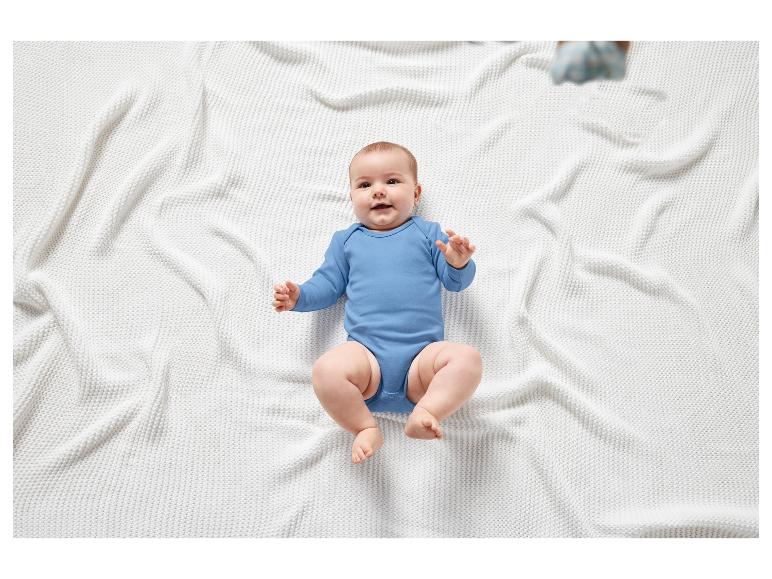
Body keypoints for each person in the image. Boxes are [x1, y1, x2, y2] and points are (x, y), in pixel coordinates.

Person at [273, 142, 483, 463]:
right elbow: (327, 286)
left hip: (421, 365)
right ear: (352, 196)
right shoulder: (346, 242)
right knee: (326, 370)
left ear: (416, 193)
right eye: (365, 185)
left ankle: (426, 412)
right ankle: (364, 426)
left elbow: (456, 283)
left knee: (467, 359)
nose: (379, 192)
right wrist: (299, 296)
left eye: (392, 181)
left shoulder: (429, 234)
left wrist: (457, 262)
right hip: (366, 363)